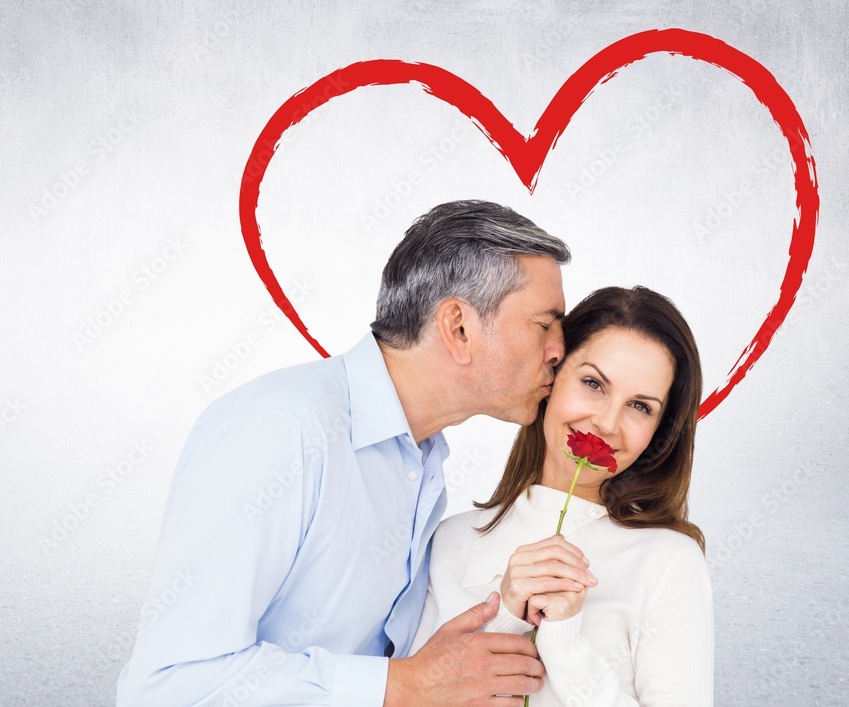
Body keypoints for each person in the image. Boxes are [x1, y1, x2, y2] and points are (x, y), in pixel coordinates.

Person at [117, 200, 573, 705]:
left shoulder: (423, 460)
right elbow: (167, 685)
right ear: (458, 327)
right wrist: (405, 685)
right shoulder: (282, 431)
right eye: (545, 324)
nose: (559, 350)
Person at [409, 286, 714, 706]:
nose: (606, 422)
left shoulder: (669, 560)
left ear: (659, 432)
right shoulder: (451, 540)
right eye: (593, 383)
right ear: (550, 376)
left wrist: (567, 645)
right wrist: (508, 616)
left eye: (640, 406)